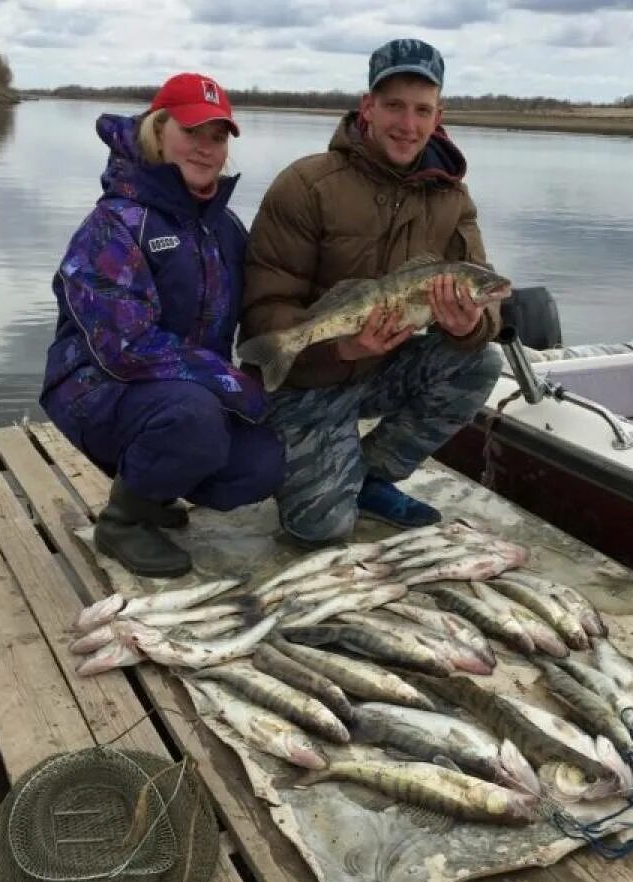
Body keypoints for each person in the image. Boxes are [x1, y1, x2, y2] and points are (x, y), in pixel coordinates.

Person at [242, 38, 503, 547]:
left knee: (481, 362)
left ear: (438, 115)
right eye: (394, 106)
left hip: (383, 367)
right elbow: (261, 312)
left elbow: (487, 292)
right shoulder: (305, 185)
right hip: (309, 377)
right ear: (368, 107)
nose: (408, 124)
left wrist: (471, 325)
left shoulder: (452, 197)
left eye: (421, 110)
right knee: (320, 530)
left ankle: (368, 477)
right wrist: (343, 346)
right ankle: (323, 471)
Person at [40, 72, 284, 578]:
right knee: (193, 418)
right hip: (93, 387)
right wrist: (230, 383)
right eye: (191, 131)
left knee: (262, 462)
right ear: (158, 130)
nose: (205, 147)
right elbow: (125, 346)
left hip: (183, 393)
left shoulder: (225, 227)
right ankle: (122, 522)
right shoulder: (115, 223)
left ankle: (151, 492)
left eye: (217, 137)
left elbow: (266, 306)